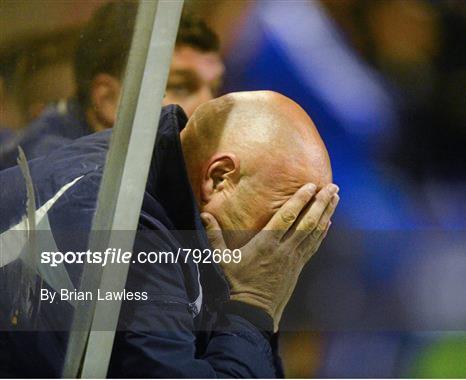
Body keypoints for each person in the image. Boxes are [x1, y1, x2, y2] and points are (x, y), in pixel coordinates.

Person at [0, 91, 339, 377]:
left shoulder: (168, 202)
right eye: (285, 221)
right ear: (219, 178)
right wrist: (254, 305)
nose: (284, 250)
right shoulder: (118, 219)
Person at [0, 1, 224, 170]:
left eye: (214, 89)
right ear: (108, 99)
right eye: (180, 87)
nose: (211, 107)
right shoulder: (65, 180)